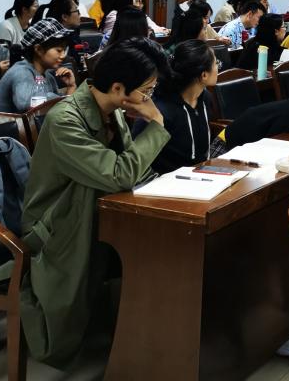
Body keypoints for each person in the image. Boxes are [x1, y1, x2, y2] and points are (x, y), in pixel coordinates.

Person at [19, 38, 171, 366]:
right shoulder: (65, 120)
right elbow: (118, 174)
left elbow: (129, 167)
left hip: (95, 209)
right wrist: (156, 124)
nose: (149, 99)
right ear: (117, 88)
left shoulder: (111, 109)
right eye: (147, 91)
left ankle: (145, 330)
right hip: (58, 224)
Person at [151, 40, 217, 174]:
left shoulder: (205, 98)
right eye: (216, 63)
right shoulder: (162, 109)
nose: (218, 67)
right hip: (169, 180)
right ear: (204, 75)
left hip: (202, 173)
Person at [0, 19, 77, 114]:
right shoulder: (21, 72)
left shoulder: (48, 77)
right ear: (38, 49)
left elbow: (62, 110)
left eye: (64, 50)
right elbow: (27, 104)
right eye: (58, 50)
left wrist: (71, 86)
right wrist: (59, 98)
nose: (63, 55)